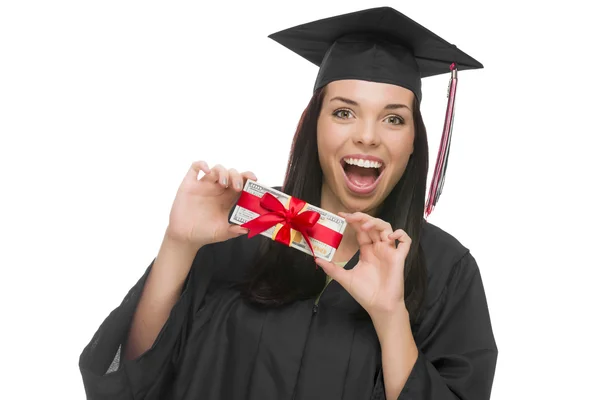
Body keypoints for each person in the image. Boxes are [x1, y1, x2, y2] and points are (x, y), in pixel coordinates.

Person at [79, 6, 497, 400]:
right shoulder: (243, 226)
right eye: (344, 112)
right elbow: (134, 382)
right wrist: (178, 244)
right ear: (313, 126)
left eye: (393, 118)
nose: (368, 136)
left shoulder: (446, 271)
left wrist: (391, 318)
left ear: (413, 143)